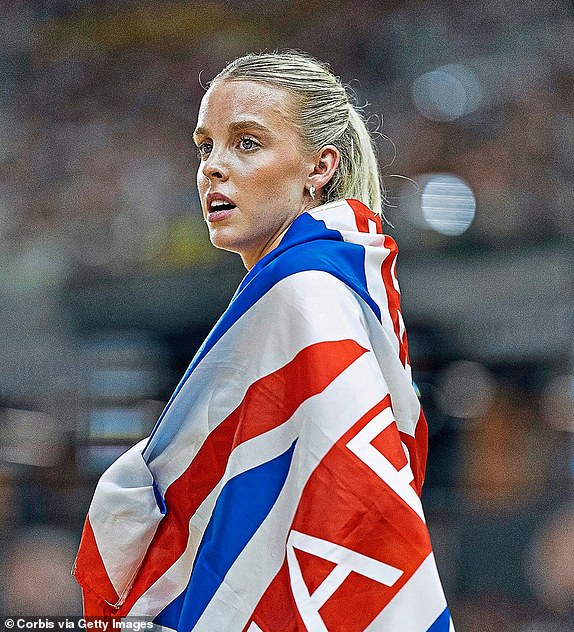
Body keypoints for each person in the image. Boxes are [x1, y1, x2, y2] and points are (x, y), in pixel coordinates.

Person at [74, 51, 454, 631]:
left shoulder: (307, 296)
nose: (213, 168)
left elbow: (356, 511)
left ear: (318, 168)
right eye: (206, 147)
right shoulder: (314, 285)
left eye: (246, 143)